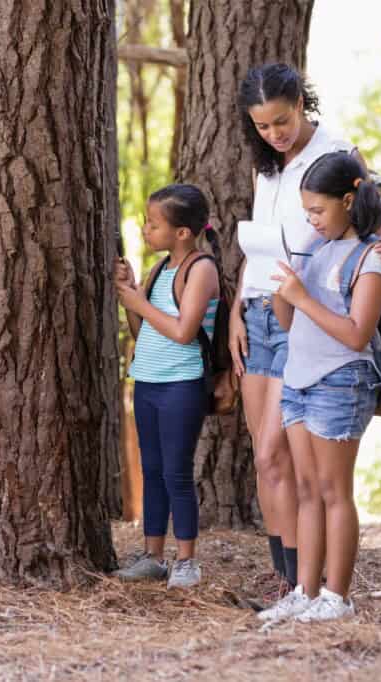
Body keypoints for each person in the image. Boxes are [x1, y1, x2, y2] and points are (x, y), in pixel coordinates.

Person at [231, 64, 381, 600]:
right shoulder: (267, 167)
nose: (274, 134)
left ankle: (307, 585)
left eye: (281, 121)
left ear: (301, 104)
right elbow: (260, 241)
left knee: (284, 455)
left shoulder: (336, 151)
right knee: (265, 459)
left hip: (308, 315)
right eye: (262, 127)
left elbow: (372, 224)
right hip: (261, 309)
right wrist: (238, 306)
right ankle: (290, 582)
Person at [259, 151, 381, 622]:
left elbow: (357, 333)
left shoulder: (372, 257)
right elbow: (289, 320)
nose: (312, 220)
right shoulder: (316, 250)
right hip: (297, 379)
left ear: (348, 200)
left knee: (335, 491)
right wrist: (283, 293)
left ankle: (337, 596)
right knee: (307, 489)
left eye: (318, 210)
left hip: (340, 382)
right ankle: (305, 590)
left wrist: (300, 296)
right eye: (307, 212)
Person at [112, 184, 221, 590]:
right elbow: (145, 332)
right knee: (153, 469)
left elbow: (182, 330)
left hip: (181, 384)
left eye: (153, 224)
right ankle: (153, 555)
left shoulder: (201, 269)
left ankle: (187, 560)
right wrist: (132, 295)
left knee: (177, 471)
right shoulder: (160, 270)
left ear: (183, 232)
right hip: (149, 381)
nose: (145, 229)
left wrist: (138, 303)